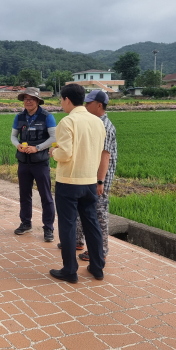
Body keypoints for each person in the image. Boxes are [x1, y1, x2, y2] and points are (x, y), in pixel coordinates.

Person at [48, 84, 106, 283]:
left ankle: (70, 270)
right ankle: (97, 267)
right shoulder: (98, 122)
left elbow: (65, 153)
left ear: (67, 99)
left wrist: (53, 153)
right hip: (89, 181)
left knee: (68, 225)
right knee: (92, 224)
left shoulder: (67, 121)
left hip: (69, 181)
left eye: (61, 100)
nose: (61, 104)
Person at [73, 90, 117, 261]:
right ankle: (78, 241)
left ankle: (101, 251)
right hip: (88, 175)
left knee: (99, 214)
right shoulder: (93, 122)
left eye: (89, 103)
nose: (85, 106)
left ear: (99, 105)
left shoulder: (104, 126)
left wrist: (100, 182)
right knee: (82, 208)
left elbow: (104, 156)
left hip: (100, 179)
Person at [11, 87, 57, 242]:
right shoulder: (19, 117)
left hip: (40, 163)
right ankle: (25, 223)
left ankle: (48, 228)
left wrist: (37, 148)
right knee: (24, 194)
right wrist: (17, 145)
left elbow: (53, 138)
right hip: (23, 162)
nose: (28, 101)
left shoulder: (47, 117)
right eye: (25, 99)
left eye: (31, 99)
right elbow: (13, 136)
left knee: (46, 196)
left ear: (38, 101)